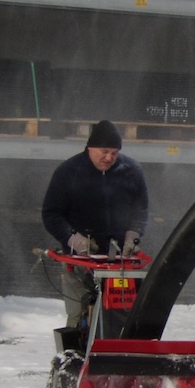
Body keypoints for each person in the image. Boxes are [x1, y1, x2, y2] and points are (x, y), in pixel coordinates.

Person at [42, 119, 149, 327]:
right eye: (104, 151)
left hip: (120, 261)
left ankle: (120, 352)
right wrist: (74, 239)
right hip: (80, 261)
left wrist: (133, 236)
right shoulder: (68, 172)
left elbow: (141, 211)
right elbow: (51, 214)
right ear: (90, 148)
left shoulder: (132, 171)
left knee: (122, 314)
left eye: (114, 153)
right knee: (79, 314)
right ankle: (79, 355)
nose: (109, 157)